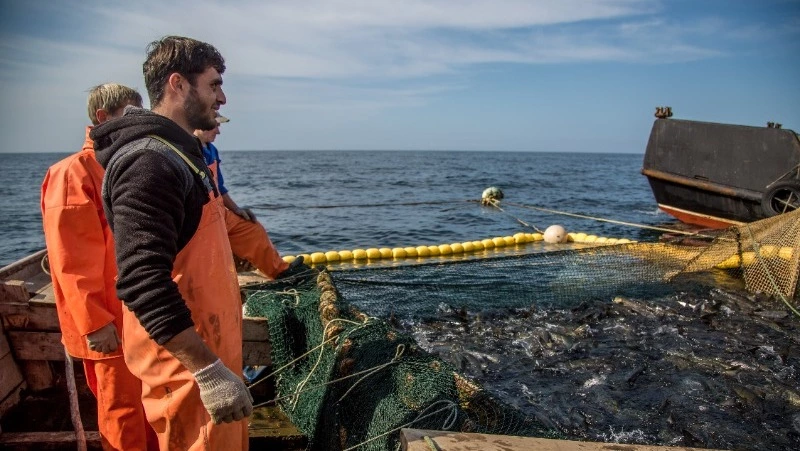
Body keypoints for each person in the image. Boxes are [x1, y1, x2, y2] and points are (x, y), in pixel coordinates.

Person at [90, 36, 252, 450]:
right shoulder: (150, 161)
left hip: (211, 356)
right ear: (178, 84)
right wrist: (209, 372)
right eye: (213, 85)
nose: (223, 98)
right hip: (189, 375)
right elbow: (142, 281)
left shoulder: (183, 152)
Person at [40, 83, 159, 450]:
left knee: (151, 407)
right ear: (103, 118)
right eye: (129, 114)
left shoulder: (122, 165)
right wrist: (95, 322)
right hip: (109, 321)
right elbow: (71, 257)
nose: (137, 123)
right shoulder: (73, 173)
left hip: (138, 316)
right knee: (122, 411)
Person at [194, 114, 300, 279]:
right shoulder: (188, 147)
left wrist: (236, 209)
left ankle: (280, 271)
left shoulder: (212, 150)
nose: (218, 132)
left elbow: (219, 187)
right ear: (200, 124)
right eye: (215, 126)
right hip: (195, 216)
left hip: (216, 212)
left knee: (251, 227)